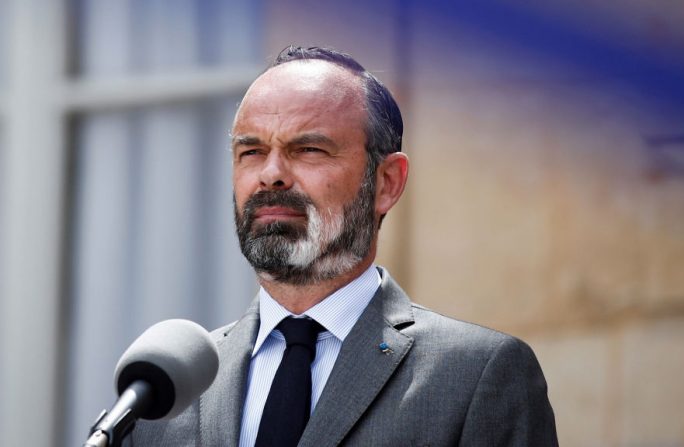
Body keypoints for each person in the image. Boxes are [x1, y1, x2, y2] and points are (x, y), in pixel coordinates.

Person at [127, 46, 558, 447]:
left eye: (309, 149)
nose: (271, 174)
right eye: (252, 152)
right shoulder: (164, 389)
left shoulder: (477, 376)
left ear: (386, 183)